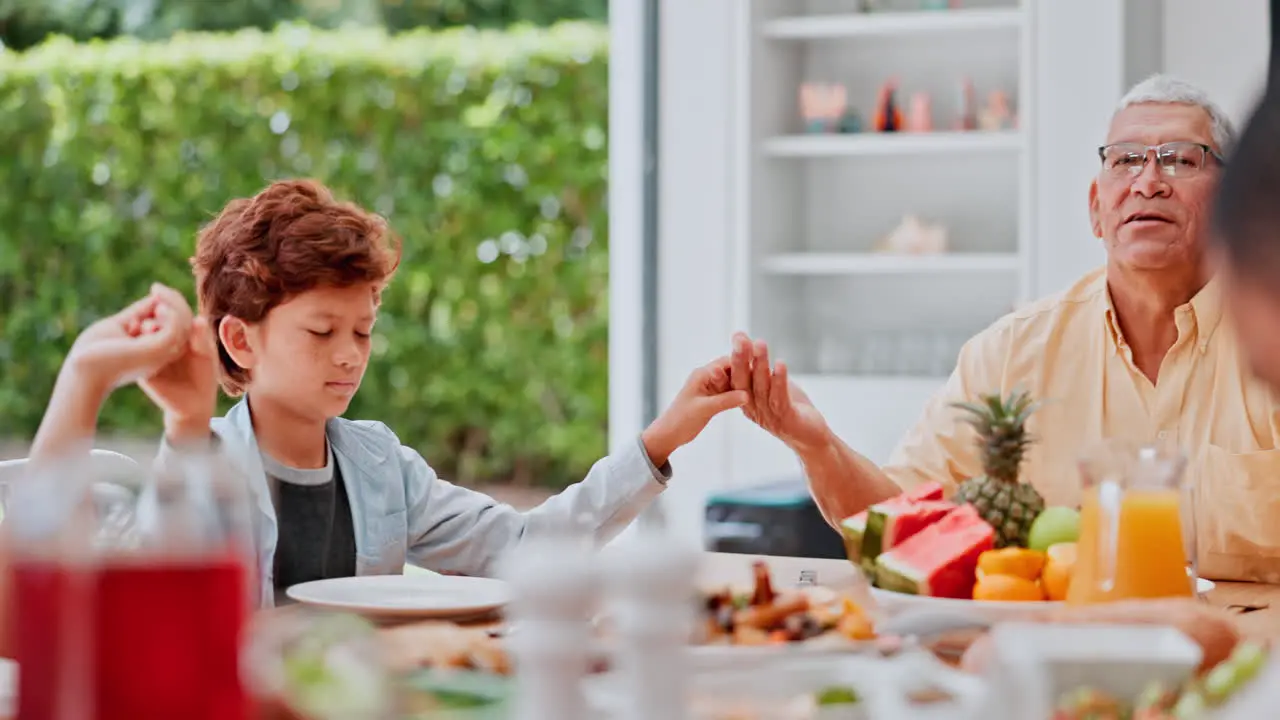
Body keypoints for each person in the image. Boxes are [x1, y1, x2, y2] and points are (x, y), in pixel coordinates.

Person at [731, 74, 1280, 583]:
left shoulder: (1269, 335)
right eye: (1126, 160)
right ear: (1096, 208)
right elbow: (899, 522)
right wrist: (818, 447)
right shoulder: (1011, 353)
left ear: (1228, 201)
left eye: (1181, 160)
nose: (1149, 181)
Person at [155, 178, 747, 607]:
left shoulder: (379, 465)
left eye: (363, 331)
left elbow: (525, 547)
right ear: (239, 339)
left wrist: (664, 436)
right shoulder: (196, 461)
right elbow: (155, 605)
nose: (349, 353)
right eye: (321, 331)